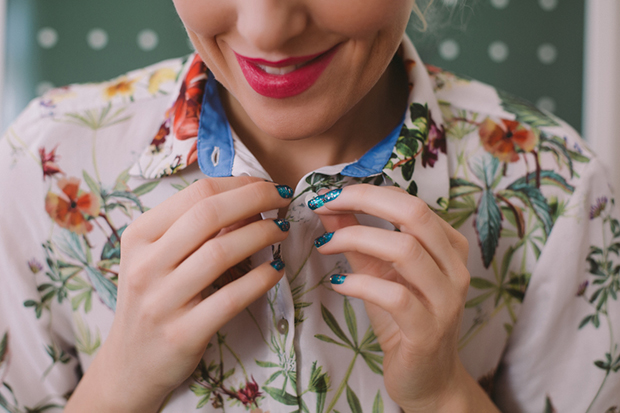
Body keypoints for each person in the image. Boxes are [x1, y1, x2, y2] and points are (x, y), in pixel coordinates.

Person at [0, 0, 618, 411]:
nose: (267, 28)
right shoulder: (41, 161)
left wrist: (445, 395)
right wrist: (116, 386)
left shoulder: (558, 188)